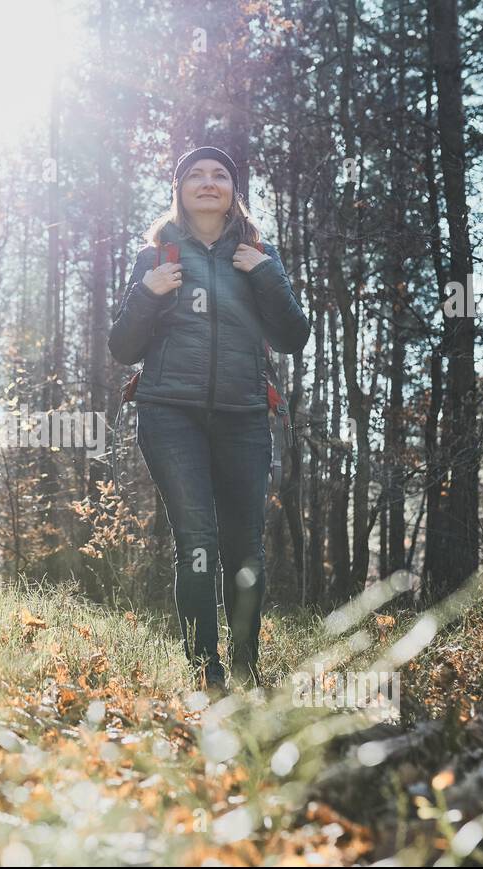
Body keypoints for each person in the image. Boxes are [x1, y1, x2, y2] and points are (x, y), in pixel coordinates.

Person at [108, 146, 310, 692]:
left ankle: (246, 664)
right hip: (169, 413)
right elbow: (123, 348)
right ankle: (207, 671)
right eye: (194, 174)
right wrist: (147, 295)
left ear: (232, 191)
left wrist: (266, 275)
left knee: (245, 546)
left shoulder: (258, 256)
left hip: (244, 414)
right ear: (179, 189)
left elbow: (293, 338)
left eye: (219, 174)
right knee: (196, 539)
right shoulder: (155, 258)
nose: (207, 182)